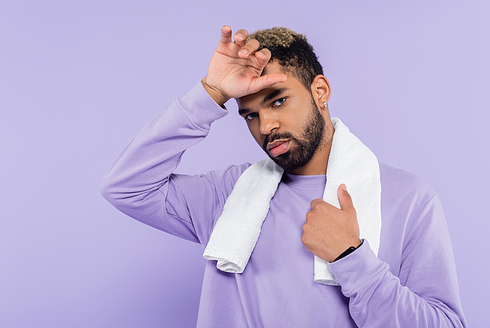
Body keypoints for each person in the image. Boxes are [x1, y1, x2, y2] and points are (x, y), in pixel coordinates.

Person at [100, 25, 466, 327]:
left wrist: (351, 258)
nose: (266, 125)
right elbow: (125, 186)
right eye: (250, 115)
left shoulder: (408, 198)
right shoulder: (228, 193)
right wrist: (210, 92)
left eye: (278, 100)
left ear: (319, 91)